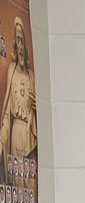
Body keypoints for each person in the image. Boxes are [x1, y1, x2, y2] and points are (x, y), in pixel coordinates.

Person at [0, 17, 37, 188]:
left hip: (29, 134)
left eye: (23, 41)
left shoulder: (31, 76)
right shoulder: (11, 71)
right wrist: (1, 140)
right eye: (18, 41)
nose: (20, 47)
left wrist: (37, 112)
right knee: (18, 186)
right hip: (15, 135)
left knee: (31, 185)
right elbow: (7, 114)